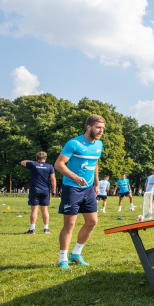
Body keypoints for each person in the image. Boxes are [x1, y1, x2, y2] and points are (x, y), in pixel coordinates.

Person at [54, 114, 105, 269]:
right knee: (70, 225)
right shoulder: (73, 143)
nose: (101, 131)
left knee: (92, 222)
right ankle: (63, 258)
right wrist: (75, 177)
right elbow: (59, 164)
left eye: (102, 128)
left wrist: (96, 183)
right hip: (71, 188)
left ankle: (76, 254)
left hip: (88, 189)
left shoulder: (99, 145)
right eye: (98, 127)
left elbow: (95, 163)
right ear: (88, 127)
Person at [20, 152, 56, 234]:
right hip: (45, 190)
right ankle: (46, 229)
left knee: (34, 210)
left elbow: (22, 162)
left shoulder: (33, 164)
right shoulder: (50, 166)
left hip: (35, 190)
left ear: (36, 158)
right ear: (45, 158)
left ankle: (32, 229)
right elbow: (53, 179)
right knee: (45, 210)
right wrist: (53, 190)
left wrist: (34, 162)